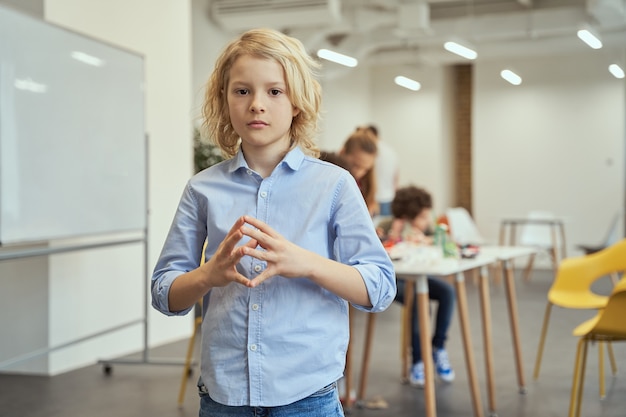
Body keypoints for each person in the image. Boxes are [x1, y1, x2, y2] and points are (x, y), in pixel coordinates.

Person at [151, 28, 396, 417]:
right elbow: (164, 293)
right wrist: (209, 275)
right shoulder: (202, 188)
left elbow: (380, 288)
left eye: (275, 91)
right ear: (225, 100)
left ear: (297, 102)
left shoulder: (334, 185)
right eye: (242, 91)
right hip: (223, 399)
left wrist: (308, 263)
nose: (257, 105)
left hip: (308, 398)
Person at [378, 185, 456, 387]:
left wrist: (427, 240)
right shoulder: (387, 225)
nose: (427, 221)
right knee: (419, 302)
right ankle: (419, 362)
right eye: (422, 217)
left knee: (447, 291)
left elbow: (445, 241)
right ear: (407, 216)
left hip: (417, 277)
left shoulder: (426, 228)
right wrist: (393, 236)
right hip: (393, 280)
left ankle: (438, 347)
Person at [320, 128, 378, 215]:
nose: (360, 173)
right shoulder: (328, 175)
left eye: (365, 169)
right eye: (356, 165)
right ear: (342, 152)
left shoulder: (365, 186)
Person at [358, 125, 398, 217]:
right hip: (390, 197)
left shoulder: (371, 151)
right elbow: (396, 177)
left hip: (374, 199)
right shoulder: (391, 151)